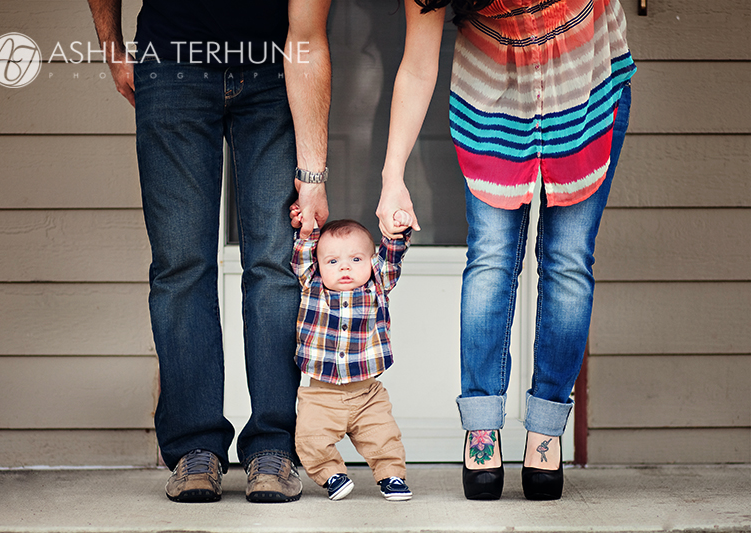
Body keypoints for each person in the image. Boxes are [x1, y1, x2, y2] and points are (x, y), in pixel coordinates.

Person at [377, 0, 636, 500]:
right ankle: (481, 431)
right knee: (492, 260)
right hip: (492, 92)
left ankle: (545, 433)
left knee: (567, 261)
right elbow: (416, 65)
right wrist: (392, 179)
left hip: (588, 82)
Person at [86, 0, 332, 503]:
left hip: (273, 71)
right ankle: (195, 448)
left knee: (276, 265)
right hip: (172, 63)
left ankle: (275, 448)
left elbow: (307, 36)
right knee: (181, 266)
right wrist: (113, 51)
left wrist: (313, 175)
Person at [288, 214, 413, 501]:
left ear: (371, 262)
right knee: (309, 438)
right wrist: (308, 225)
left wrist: (396, 231)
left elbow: (391, 257)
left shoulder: (377, 285)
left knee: (384, 437)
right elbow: (302, 256)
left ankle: (391, 476)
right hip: (321, 392)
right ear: (319, 265)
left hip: (367, 392)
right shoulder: (313, 285)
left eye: (356, 259)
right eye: (332, 261)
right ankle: (331, 475)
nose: (344, 266)